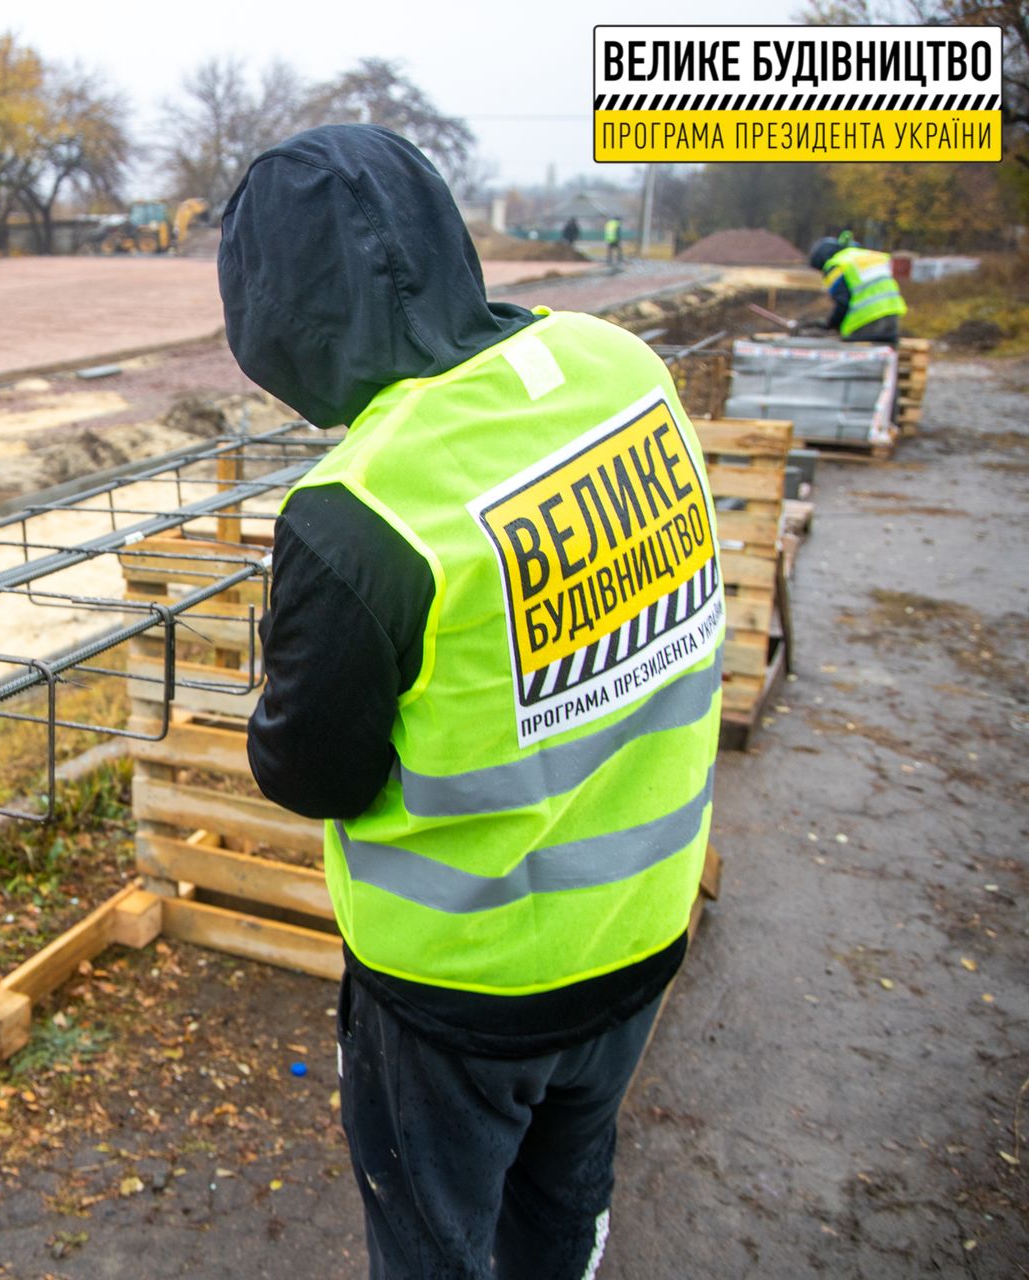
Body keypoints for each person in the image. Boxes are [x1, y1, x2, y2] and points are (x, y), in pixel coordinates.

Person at [217, 123, 722, 1279]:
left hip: (465, 998)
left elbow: (309, 771)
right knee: (562, 1214)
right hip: (641, 932)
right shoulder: (619, 367)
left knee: (436, 1247)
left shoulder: (359, 508)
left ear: (277, 318)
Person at [807, 233, 906, 343]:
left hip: (865, 321)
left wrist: (832, 324)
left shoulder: (837, 264)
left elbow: (843, 302)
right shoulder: (866, 256)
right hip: (892, 318)